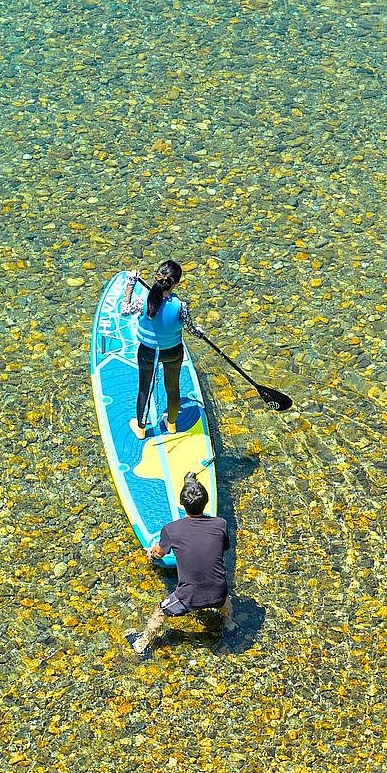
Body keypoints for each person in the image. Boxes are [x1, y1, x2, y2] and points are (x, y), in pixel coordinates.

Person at [127, 472, 231, 660]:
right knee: (224, 598)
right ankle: (230, 623)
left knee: (160, 612)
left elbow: (160, 553)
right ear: (206, 502)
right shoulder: (221, 524)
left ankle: (141, 644)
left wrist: (150, 553)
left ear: (182, 504)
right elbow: (222, 548)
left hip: (189, 596)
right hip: (220, 592)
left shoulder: (172, 529)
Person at [122, 258, 190, 437]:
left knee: (144, 388)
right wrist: (199, 331)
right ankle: (172, 424)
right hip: (173, 353)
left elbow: (124, 309)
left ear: (157, 277)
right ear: (175, 283)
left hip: (148, 353)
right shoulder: (182, 306)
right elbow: (190, 329)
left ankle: (141, 429)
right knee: (173, 388)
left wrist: (130, 284)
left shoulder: (143, 299)